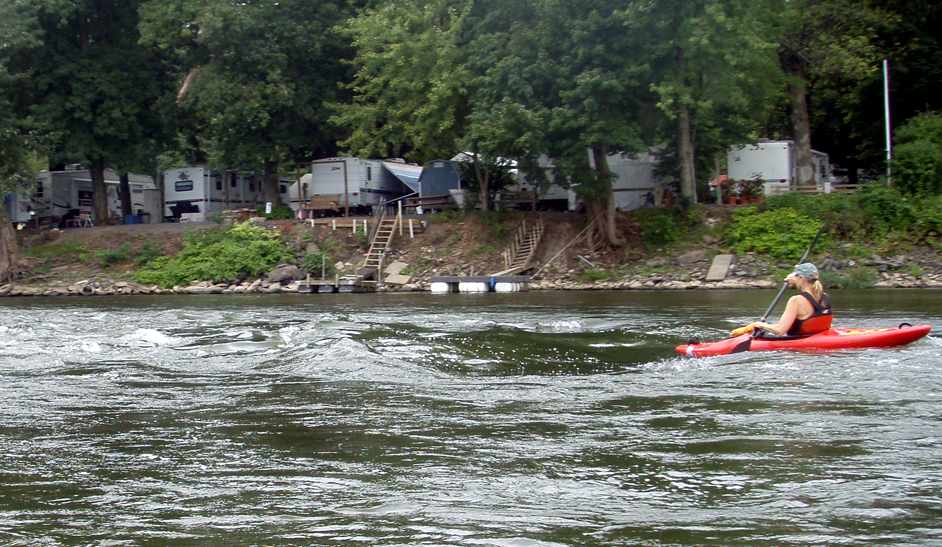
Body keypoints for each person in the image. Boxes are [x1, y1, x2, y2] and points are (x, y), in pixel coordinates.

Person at [731, 263, 832, 337]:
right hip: (816, 338)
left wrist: (757, 324)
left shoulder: (796, 301)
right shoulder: (825, 297)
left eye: (795, 275)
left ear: (801, 278)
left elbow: (780, 331)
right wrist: (793, 280)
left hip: (799, 350)